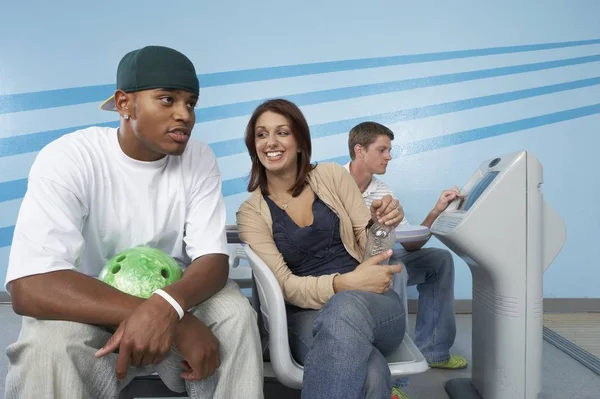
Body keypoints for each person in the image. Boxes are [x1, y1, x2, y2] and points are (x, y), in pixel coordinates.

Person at [4, 45, 263, 399]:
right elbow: (29, 286)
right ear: (125, 104)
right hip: (90, 303)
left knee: (236, 317)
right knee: (47, 347)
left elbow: (212, 260)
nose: (184, 114)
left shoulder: (199, 158)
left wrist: (169, 308)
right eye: (167, 99)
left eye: (191, 103)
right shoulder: (70, 157)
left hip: (176, 294)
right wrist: (171, 319)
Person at [236, 98, 407, 399]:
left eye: (282, 132)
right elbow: (285, 287)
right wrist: (343, 284)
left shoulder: (332, 176)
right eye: (262, 134)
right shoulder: (251, 213)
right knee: (372, 371)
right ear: (254, 146)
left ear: (301, 141)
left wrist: (381, 225)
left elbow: (373, 251)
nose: (271, 142)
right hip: (304, 316)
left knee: (346, 308)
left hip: (373, 304)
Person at [345, 121, 468, 379]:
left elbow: (412, 243)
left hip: (379, 256)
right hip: (348, 264)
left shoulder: (384, 190)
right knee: (395, 271)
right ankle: (393, 367)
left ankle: (434, 351)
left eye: (389, 150)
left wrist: (437, 210)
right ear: (360, 150)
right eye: (382, 150)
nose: (389, 156)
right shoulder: (332, 181)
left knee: (439, 260)